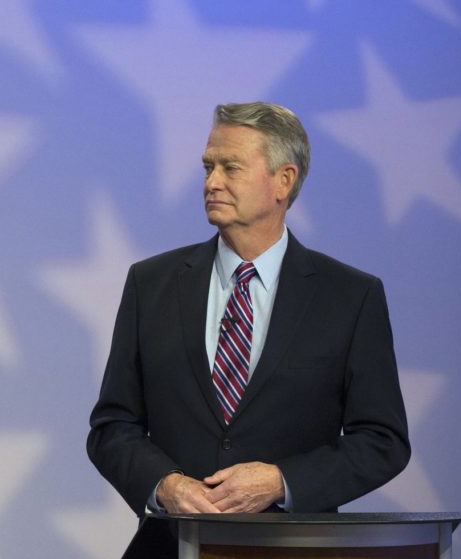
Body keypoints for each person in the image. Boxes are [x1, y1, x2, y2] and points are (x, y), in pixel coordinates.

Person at [88, 102, 409, 519]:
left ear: (283, 181)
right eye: (208, 167)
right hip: (176, 553)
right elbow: (112, 427)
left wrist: (281, 481)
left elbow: (383, 441)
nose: (211, 182)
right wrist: (166, 486)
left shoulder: (350, 297)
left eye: (230, 168)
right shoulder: (150, 285)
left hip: (295, 556)